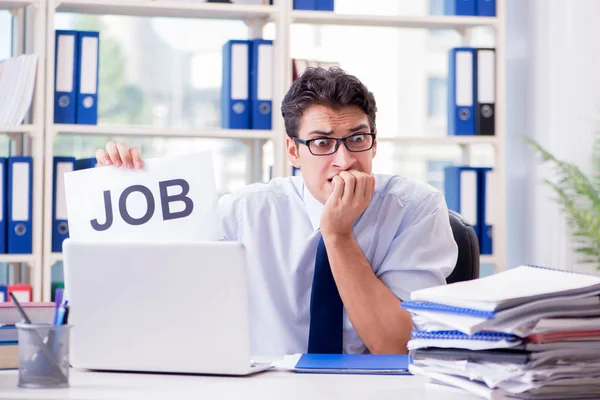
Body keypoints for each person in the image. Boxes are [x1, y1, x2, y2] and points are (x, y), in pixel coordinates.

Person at [95, 67, 458, 357]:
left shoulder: (416, 209)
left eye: (357, 139)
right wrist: (119, 189)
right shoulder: (246, 213)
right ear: (293, 152)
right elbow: (155, 287)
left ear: (374, 144)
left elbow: (396, 346)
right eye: (322, 143)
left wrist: (337, 235)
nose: (345, 160)